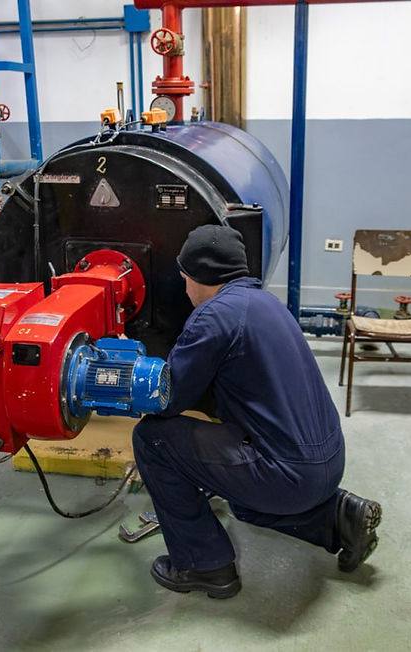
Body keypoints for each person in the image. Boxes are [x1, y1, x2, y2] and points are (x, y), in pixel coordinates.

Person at [132, 224, 382, 599]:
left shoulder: (214, 315)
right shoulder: (268, 304)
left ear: (198, 276)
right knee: (243, 505)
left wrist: (124, 381)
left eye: (185, 279)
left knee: (151, 438)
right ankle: (338, 517)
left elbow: (169, 399)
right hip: (326, 465)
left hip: (287, 476)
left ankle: (205, 565)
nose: (185, 289)